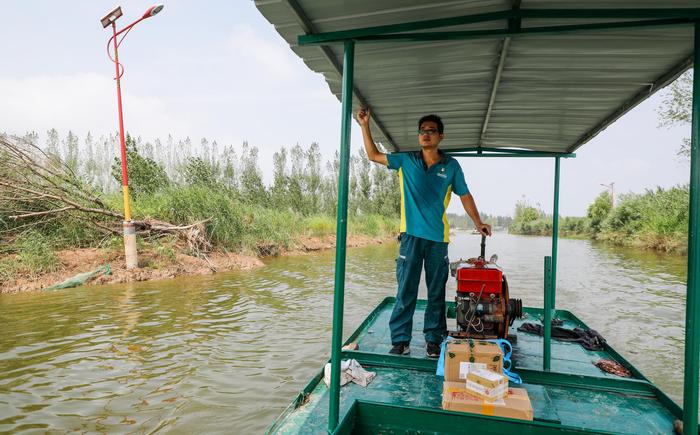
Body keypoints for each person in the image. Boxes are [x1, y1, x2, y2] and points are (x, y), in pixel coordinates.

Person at [357, 108, 491, 358]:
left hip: (438, 240)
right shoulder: (405, 161)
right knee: (405, 290)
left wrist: (478, 222)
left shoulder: (451, 166)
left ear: (441, 136)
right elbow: (373, 155)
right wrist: (365, 125)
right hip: (410, 238)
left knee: (436, 292)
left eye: (431, 131)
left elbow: (465, 195)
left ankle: (433, 340)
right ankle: (400, 341)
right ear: (418, 136)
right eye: (422, 131)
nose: (426, 134)